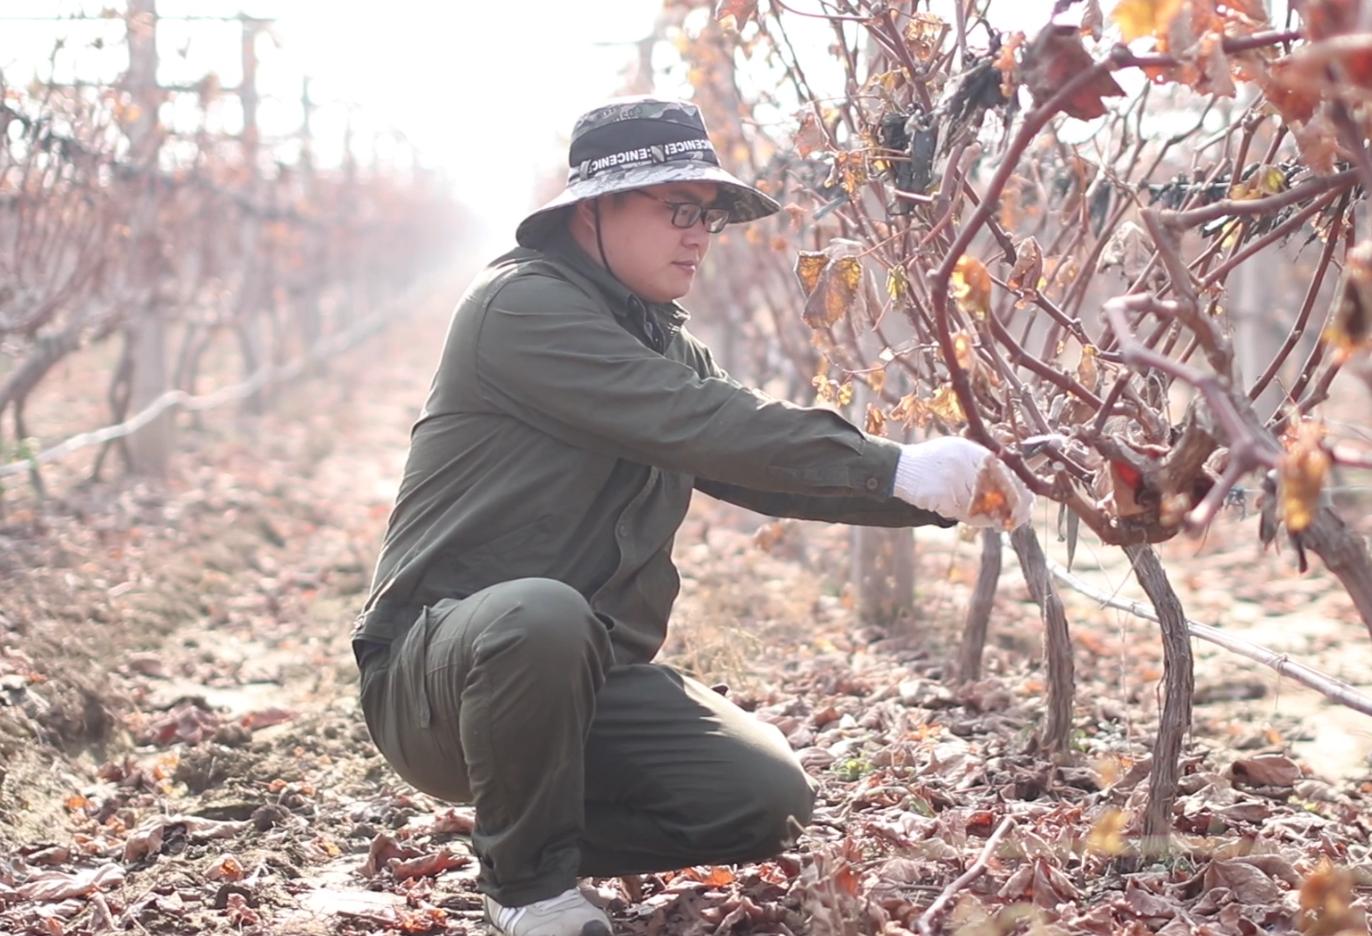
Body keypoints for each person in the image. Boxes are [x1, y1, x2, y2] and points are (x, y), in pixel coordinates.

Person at [352, 97, 1032, 936]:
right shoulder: (519, 309)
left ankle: (521, 829)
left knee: (766, 800)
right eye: (679, 209)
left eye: (709, 217)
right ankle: (526, 886)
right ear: (594, 210)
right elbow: (704, 422)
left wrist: (936, 494)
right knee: (541, 614)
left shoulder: (663, 343)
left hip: (582, 687)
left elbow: (756, 468)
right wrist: (896, 465)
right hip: (439, 681)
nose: (700, 236)